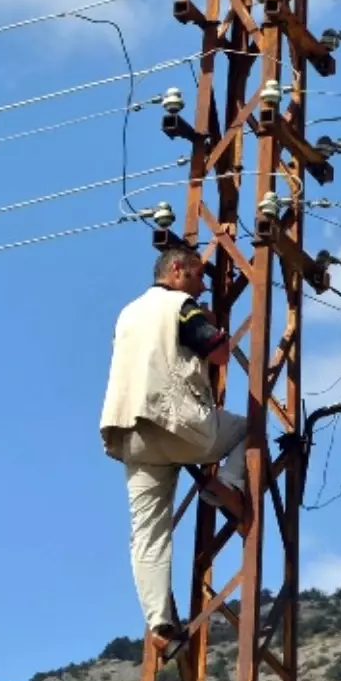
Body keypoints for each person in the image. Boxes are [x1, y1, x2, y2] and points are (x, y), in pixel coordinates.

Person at [101, 246, 249, 651]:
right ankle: (230, 485)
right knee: (247, 428)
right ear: (178, 268)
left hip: (130, 431)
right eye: (199, 275)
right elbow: (215, 350)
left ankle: (160, 624)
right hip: (179, 423)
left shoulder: (127, 313)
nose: (203, 285)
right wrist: (215, 326)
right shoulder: (181, 305)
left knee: (147, 534)